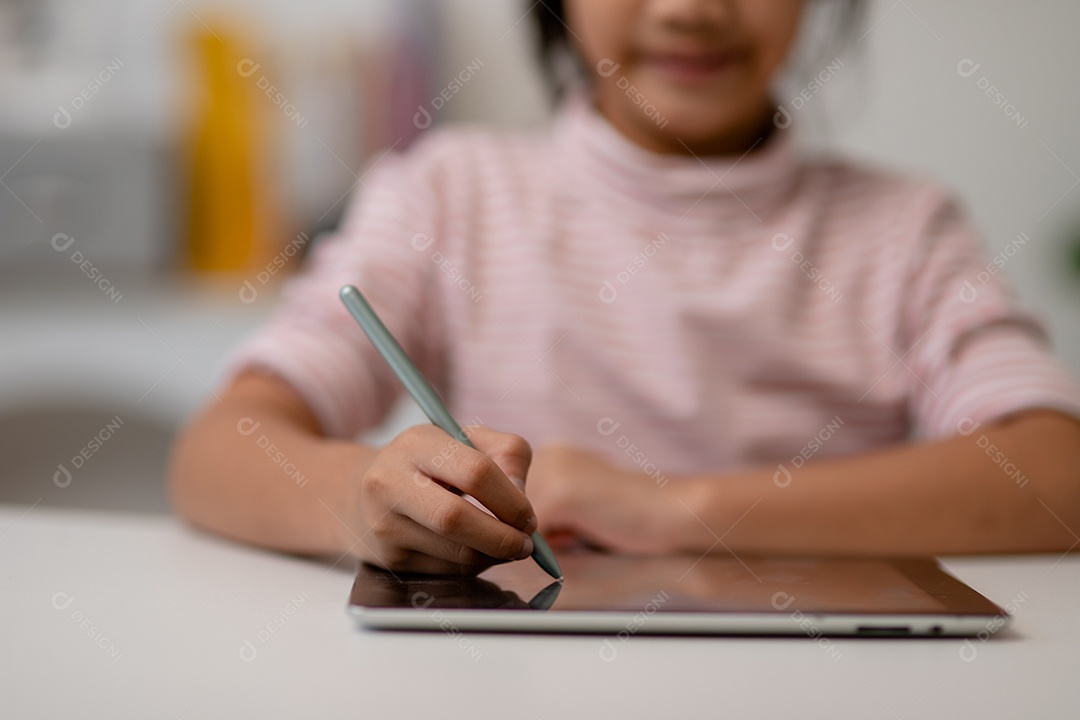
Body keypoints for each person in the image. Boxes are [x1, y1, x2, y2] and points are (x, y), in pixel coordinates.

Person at [170, 0, 1080, 576]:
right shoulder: (448, 193)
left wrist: (675, 508)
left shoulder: (904, 230)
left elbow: (1056, 475)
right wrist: (359, 501)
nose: (690, 11)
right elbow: (217, 452)